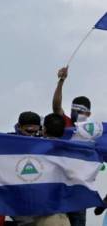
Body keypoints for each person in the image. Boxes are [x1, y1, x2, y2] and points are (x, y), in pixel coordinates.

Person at [52, 66, 90, 226]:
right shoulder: (66, 124)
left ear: (88, 114)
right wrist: (61, 81)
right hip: (59, 186)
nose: (76, 113)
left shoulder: (92, 133)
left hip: (80, 190)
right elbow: (56, 106)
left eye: (81, 110)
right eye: (74, 109)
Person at [32, 113, 70, 226]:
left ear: (44, 129)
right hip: (64, 217)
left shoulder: (36, 150)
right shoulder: (70, 152)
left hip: (45, 216)